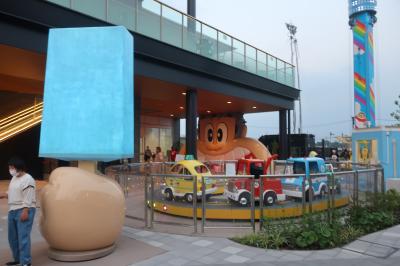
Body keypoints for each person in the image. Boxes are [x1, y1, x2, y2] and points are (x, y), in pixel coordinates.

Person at [0, 157, 36, 266]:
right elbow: (12, 191)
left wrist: (25, 211)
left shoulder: (28, 179)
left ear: (19, 167)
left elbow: (28, 197)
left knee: (23, 237)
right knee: (13, 238)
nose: (10, 170)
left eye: (12, 168)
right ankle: (18, 259)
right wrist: (4, 195)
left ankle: (25, 262)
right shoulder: (14, 178)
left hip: (24, 209)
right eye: (10, 168)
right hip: (13, 210)